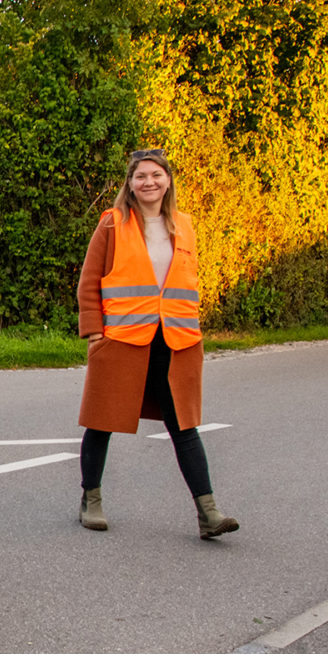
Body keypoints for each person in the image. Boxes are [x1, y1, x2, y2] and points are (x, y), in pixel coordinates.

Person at [76, 148, 238, 538]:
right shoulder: (113, 223)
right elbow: (89, 280)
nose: (148, 182)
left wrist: (193, 331)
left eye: (156, 175)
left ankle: (208, 513)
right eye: (140, 177)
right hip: (122, 338)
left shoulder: (185, 225)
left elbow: (188, 283)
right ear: (130, 184)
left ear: (168, 180)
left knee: (184, 426)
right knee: (102, 422)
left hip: (175, 340)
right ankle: (91, 499)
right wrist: (95, 331)